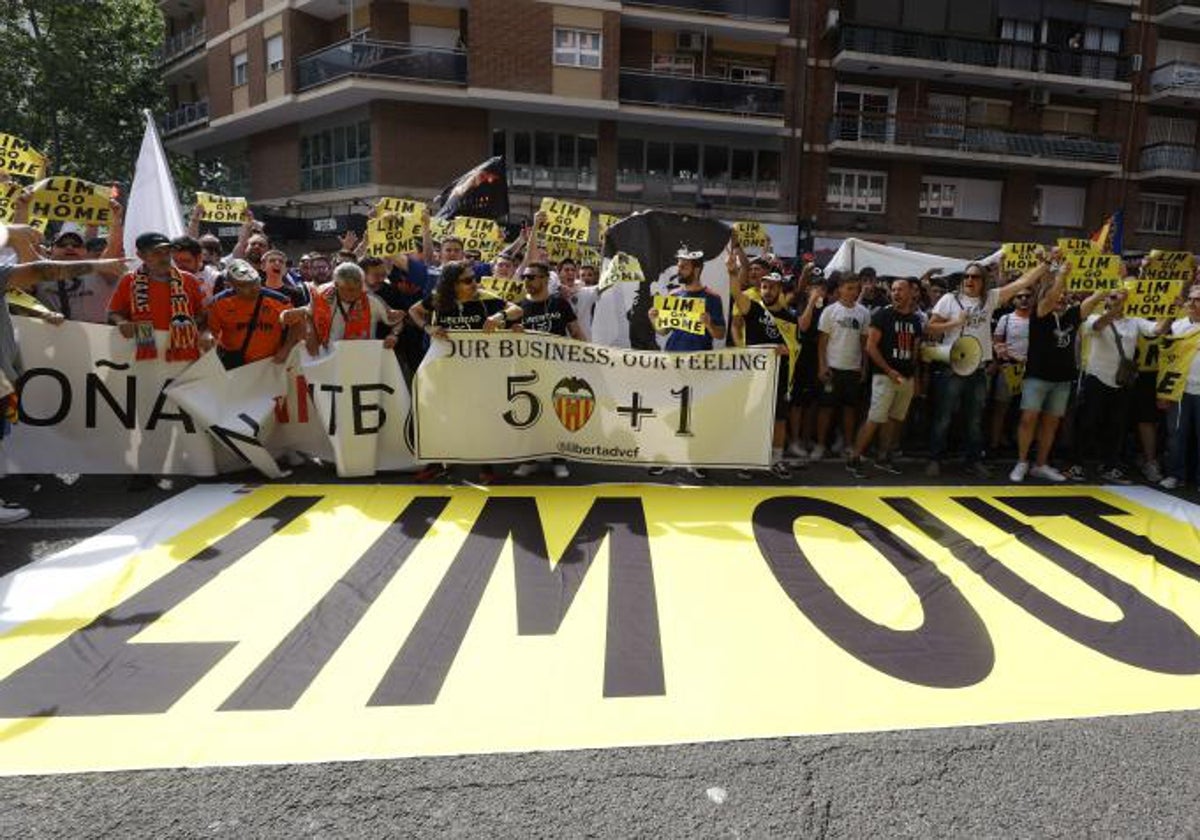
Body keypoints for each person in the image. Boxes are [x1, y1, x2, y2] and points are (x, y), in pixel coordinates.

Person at [924, 258, 1045, 477]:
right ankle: (934, 458)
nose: (969, 280)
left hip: (978, 368)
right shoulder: (949, 300)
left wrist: (1046, 265)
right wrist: (954, 324)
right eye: (966, 276)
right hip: (953, 366)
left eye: (975, 277)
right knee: (943, 417)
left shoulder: (990, 299)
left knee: (975, 419)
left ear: (983, 281)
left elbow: (1023, 282)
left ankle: (973, 460)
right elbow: (930, 328)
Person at [408, 261, 522, 485]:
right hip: (445, 371)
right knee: (441, 416)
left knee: (479, 417)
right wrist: (428, 327)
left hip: (478, 371)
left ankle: (486, 468)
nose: (474, 283)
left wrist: (498, 317)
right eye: (468, 280)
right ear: (452, 284)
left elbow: (517, 309)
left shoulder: (483, 297)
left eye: (474, 278)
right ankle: (435, 463)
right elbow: (414, 311)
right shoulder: (438, 299)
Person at [1009, 262, 1096, 483]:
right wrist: (1061, 275)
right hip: (1037, 376)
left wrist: (1113, 282)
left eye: (1064, 295)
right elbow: (1051, 295)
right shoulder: (1040, 313)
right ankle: (1021, 462)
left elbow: (1094, 300)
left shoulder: (1073, 314)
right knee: (1029, 419)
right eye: (1057, 294)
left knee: (1051, 423)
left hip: (1063, 379)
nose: (1060, 297)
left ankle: (1041, 464)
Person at [645, 247, 726, 479]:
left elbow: (719, 334)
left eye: (683, 266)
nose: (679, 269)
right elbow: (663, 330)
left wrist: (709, 323)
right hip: (673, 360)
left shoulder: (712, 298)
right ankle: (665, 457)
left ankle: (696, 459)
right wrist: (654, 320)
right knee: (669, 410)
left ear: (697, 268)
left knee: (697, 412)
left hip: (700, 361)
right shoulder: (672, 297)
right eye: (678, 265)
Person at [1078, 288, 1168, 483]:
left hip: (1121, 381)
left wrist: (1171, 311)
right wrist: (1115, 307)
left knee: (1116, 426)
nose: (1117, 299)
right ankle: (1077, 464)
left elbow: (1157, 330)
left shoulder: (1134, 321)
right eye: (1112, 296)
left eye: (1120, 296)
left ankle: (1110, 466)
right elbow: (1099, 325)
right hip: (1097, 377)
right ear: (1105, 300)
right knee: (1088, 422)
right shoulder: (1093, 317)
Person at [512, 261, 585, 480]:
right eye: (524, 277)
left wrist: (586, 358)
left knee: (556, 415)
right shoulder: (517, 307)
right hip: (528, 372)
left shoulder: (559, 303)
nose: (527, 281)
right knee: (529, 416)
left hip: (557, 370)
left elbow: (576, 333)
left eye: (531, 277)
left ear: (545, 279)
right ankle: (529, 460)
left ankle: (559, 459)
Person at [846, 276, 924, 478]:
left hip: (906, 378)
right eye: (894, 289)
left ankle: (883, 458)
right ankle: (854, 458)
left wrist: (915, 379)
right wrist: (889, 370)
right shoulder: (883, 315)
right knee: (874, 418)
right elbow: (870, 346)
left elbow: (915, 352)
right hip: (885, 376)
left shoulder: (916, 320)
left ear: (911, 293)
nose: (896, 293)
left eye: (901, 289)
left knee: (894, 419)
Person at [730, 268, 795, 479]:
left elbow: (796, 348)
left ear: (780, 290)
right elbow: (737, 296)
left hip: (780, 375)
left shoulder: (789, 317)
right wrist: (732, 274)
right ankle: (747, 459)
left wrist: (786, 350)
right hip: (754, 377)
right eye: (764, 286)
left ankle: (776, 460)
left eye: (772, 287)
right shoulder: (754, 309)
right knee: (751, 416)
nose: (767, 290)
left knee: (779, 420)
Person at [107, 232, 206, 362]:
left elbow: (203, 315)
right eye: (156, 253)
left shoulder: (189, 280)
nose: (164, 258)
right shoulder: (129, 281)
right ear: (141, 255)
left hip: (183, 356)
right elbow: (113, 313)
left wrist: (200, 331)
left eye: (167, 252)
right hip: (144, 357)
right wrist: (122, 322)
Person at [201, 259, 300, 369]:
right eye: (244, 286)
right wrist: (207, 336)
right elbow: (209, 329)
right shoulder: (219, 302)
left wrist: (287, 348)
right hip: (233, 364)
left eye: (255, 283)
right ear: (230, 285)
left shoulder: (280, 301)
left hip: (269, 363)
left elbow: (296, 324)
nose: (253, 289)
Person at [814, 273, 869, 461]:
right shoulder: (830, 311)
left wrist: (863, 366)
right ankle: (820, 445)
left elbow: (864, 344)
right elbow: (822, 343)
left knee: (849, 409)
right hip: (832, 368)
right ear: (840, 289)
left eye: (856, 289)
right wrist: (822, 366)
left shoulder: (863, 313)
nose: (853, 292)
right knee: (825, 409)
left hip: (852, 369)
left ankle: (848, 445)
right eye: (849, 288)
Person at [1160, 286, 1200, 491]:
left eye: (1198, 300)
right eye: (1191, 300)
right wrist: (1164, 393)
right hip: (1180, 389)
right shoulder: (1177, 326)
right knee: (1176, 434)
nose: (1192, 304)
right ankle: (1175, 474)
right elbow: (1167, 360)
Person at [988, 288, 1033, 452]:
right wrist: (1001, 360)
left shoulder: (1038, 319)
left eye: (1027, 296)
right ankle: (994, 444)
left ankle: (1019, 443)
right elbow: (997, 342)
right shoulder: (1005, 319)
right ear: (1013, 300)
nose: (1023, 299)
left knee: (1027, 411)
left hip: (1032, 371)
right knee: (1001, 408)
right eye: (1019, 296)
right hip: (1009, 368)